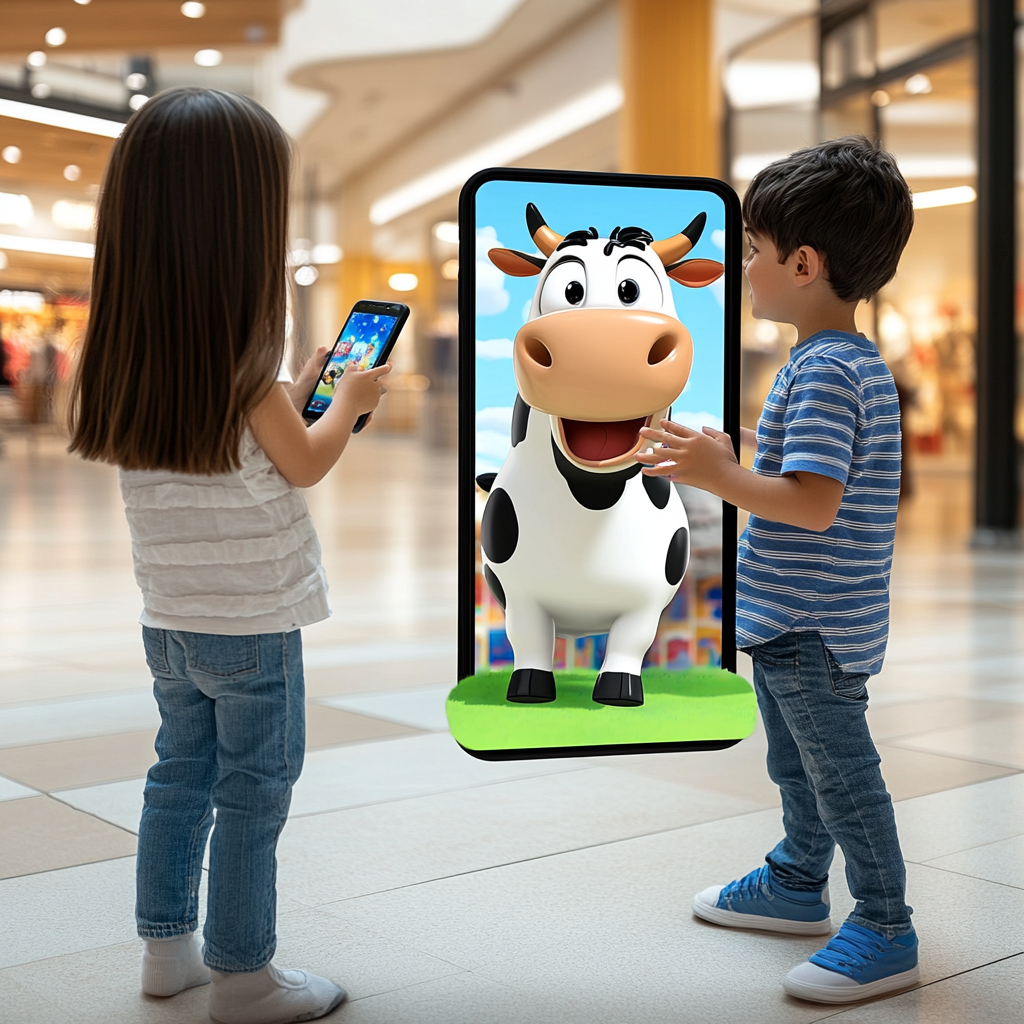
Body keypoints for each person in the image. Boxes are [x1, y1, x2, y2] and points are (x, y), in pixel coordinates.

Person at [68, 88, 390, 1024]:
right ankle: (246, 977)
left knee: (179, 774)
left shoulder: (131, 353)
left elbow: (248, 443)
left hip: (170, 619)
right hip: (254, 624)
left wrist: (301, 390)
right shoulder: (243, 360)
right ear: (240, 224)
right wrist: (350, 404)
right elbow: (303, 461)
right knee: (254, 793)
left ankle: (164, 953)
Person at [636, 136, 917, 1005]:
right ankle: (798, 881)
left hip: (813, 623)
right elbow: (805, 474)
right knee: (796, 766)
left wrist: (722, 478)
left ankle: (884, 923)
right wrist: (736, 454)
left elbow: (811, 504)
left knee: (840, 774)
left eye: (753, 251)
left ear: (802, 262)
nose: (744, 266)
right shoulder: (832, 359)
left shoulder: (827, 369)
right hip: (798, 617)